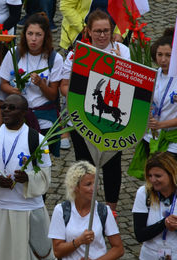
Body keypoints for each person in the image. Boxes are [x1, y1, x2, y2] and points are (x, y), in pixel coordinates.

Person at [60, 9, 130, 212]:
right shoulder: (76, 54)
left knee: (112, 164)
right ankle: (84, 207)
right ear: (88, 31)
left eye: (106, 30)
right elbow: (64, 87)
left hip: (111, 120)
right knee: (83, 165)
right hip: (81, 119)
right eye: (97, 31)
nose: (102, 35)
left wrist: (120, 64)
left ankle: (111, 210)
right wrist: (80, 93)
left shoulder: (122, 51)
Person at [0, 94, 54, 260]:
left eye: (12, 108)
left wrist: (28, 178)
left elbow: (46, 176)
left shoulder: (37, 139)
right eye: (4, 107)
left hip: (27, 211)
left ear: (24, 112)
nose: (6, 110)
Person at [0, 12, 63, 157]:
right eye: (30, 33)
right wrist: (13, 91)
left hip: (44, 120)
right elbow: (3, 84)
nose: (33, 39)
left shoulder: (54, 58)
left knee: (42, 161)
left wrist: (41, 84)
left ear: (45, 36)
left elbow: (53, 95)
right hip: (18, 118)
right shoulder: (14, 54)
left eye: (38, 34)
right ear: (24, 34)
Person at [48, 161, 124, 260]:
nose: (94, 188)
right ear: (75, 187)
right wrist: (79, 241)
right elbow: (57, 251)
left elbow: (118, 249)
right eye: (88, 184)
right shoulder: (61, 211)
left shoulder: (104, 211)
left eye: (95, 183)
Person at [128, 28, 177, 179]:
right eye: (160, 55)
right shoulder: (151, 76)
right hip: (151, 137)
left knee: (168, 178)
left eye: (168, 55)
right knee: (153, 178)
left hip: (172, 140)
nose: (163, 59)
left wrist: (161, 125)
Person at [132, 152, 177, 259]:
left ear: (171, 174)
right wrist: (164, 223)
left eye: (158, 176)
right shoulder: (144, 193)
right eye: (150, 176)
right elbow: (140, 235)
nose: (153, 180)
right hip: (149, 255)